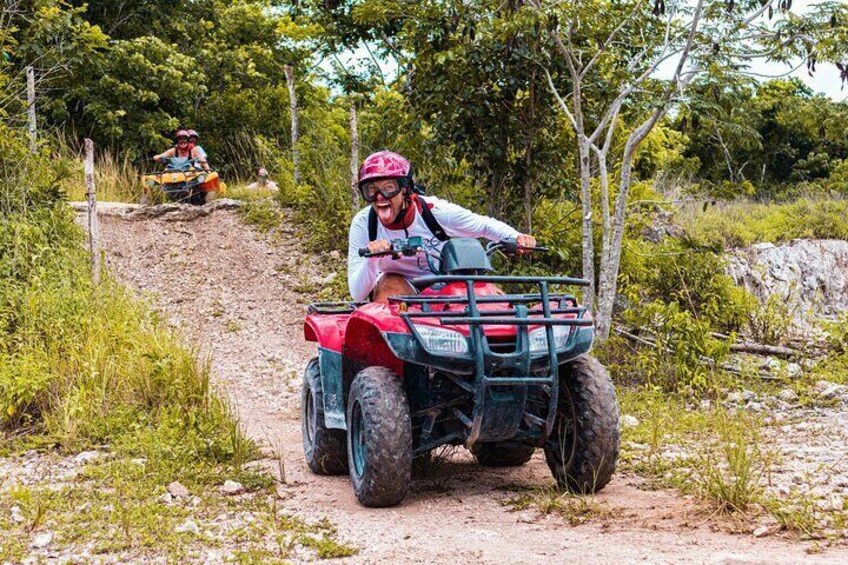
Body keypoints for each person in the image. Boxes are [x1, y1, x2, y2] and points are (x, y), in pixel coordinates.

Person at [348, 150, 536, 302]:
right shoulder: (364, 223)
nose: (380, 196)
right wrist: (372, 258)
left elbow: (484, 226)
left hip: (441, 281)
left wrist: (516, 237)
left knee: (489, 296)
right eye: (371, 190)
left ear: (405, 189)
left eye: (389, 188)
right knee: (391, 284)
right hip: (395, 284)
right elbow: (357, 293)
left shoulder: (435, 211)